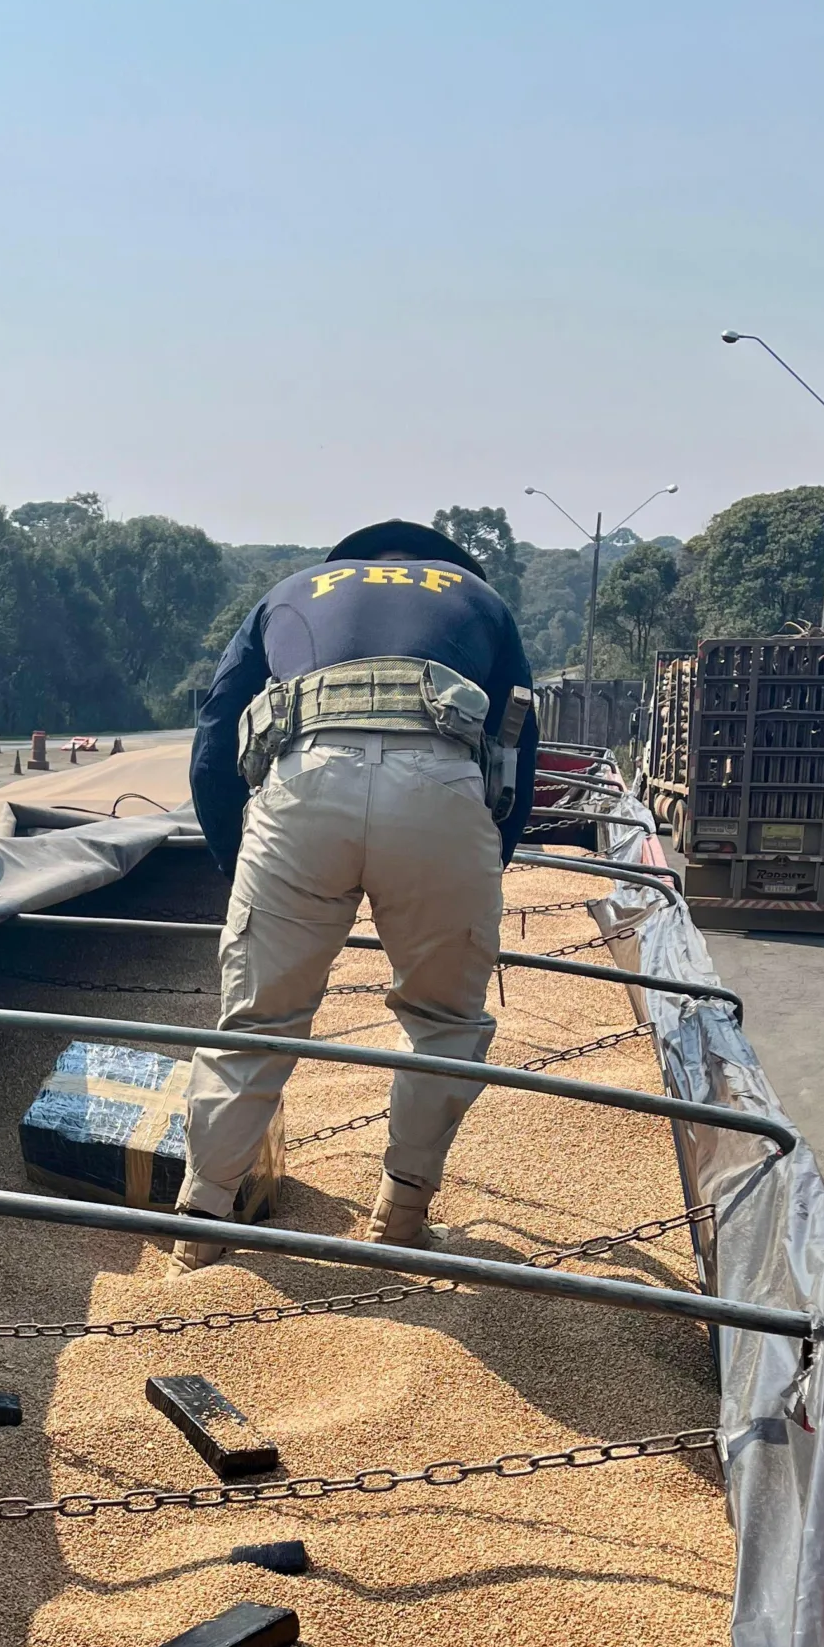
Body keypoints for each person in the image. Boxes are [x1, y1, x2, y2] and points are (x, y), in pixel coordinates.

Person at [172, 518, 539, 1271]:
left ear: (352, 565)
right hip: (441, 785)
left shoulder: (288, 591)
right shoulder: (480, 597)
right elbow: (517, 745)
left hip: (305, 780)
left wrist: (233, 858)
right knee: (442, 1023)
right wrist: (484, 865)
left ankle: (200, 1228)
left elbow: (214, 737)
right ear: (437, 567)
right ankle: (399, 1221)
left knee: (257, 1023)